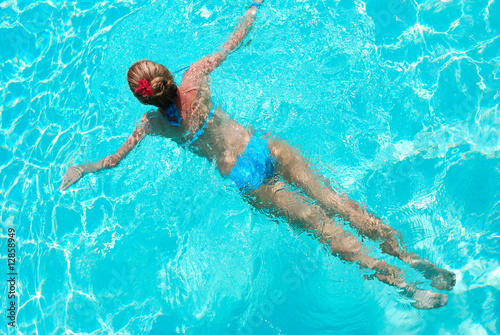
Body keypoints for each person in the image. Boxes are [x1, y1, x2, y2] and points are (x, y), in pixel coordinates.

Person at [59, 2, 455, 309]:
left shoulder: (151, 125)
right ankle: (410, 257)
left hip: (245, 178)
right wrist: (253, 7)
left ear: (142, 96)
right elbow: (236, 40)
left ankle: (406, 288)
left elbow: (113, 160)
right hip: (264, 147)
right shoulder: (196, 76)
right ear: (166, 74)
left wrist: (82, 167)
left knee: (322, 228)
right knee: (336, 203)